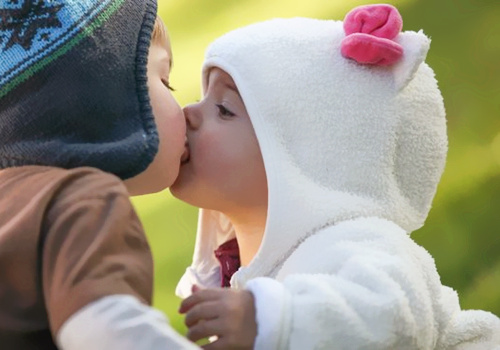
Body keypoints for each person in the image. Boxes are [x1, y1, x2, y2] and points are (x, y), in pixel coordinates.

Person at [171, 4, 500, 349]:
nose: (189, 112)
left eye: (223, 109)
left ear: (302, 159)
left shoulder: (357, 243)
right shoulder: (238, 271)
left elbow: (393, 316)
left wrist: (270, 319)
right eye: (201, 98)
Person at [0, 1, 198, 349]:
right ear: (104, 97)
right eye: (165, 81)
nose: (188, 111)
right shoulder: (81, 201)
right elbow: (105, 332)